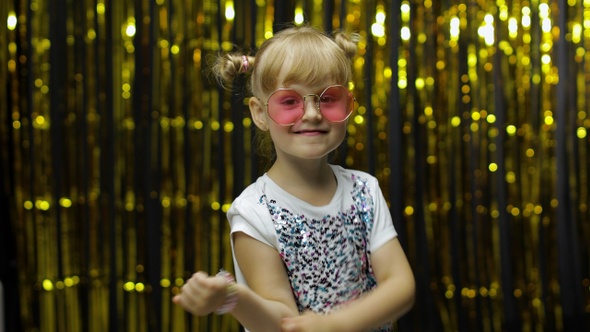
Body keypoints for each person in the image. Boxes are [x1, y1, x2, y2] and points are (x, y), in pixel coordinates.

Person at [173, 24, 415, 332]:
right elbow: (280, 321)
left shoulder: (364, 190)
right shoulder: (254, 211)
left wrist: (336, 325)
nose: (312, 113)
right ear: (260, 113)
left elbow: (401, 285)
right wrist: (232, 297)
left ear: (349, 104)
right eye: (290, 101)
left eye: (328, 98)